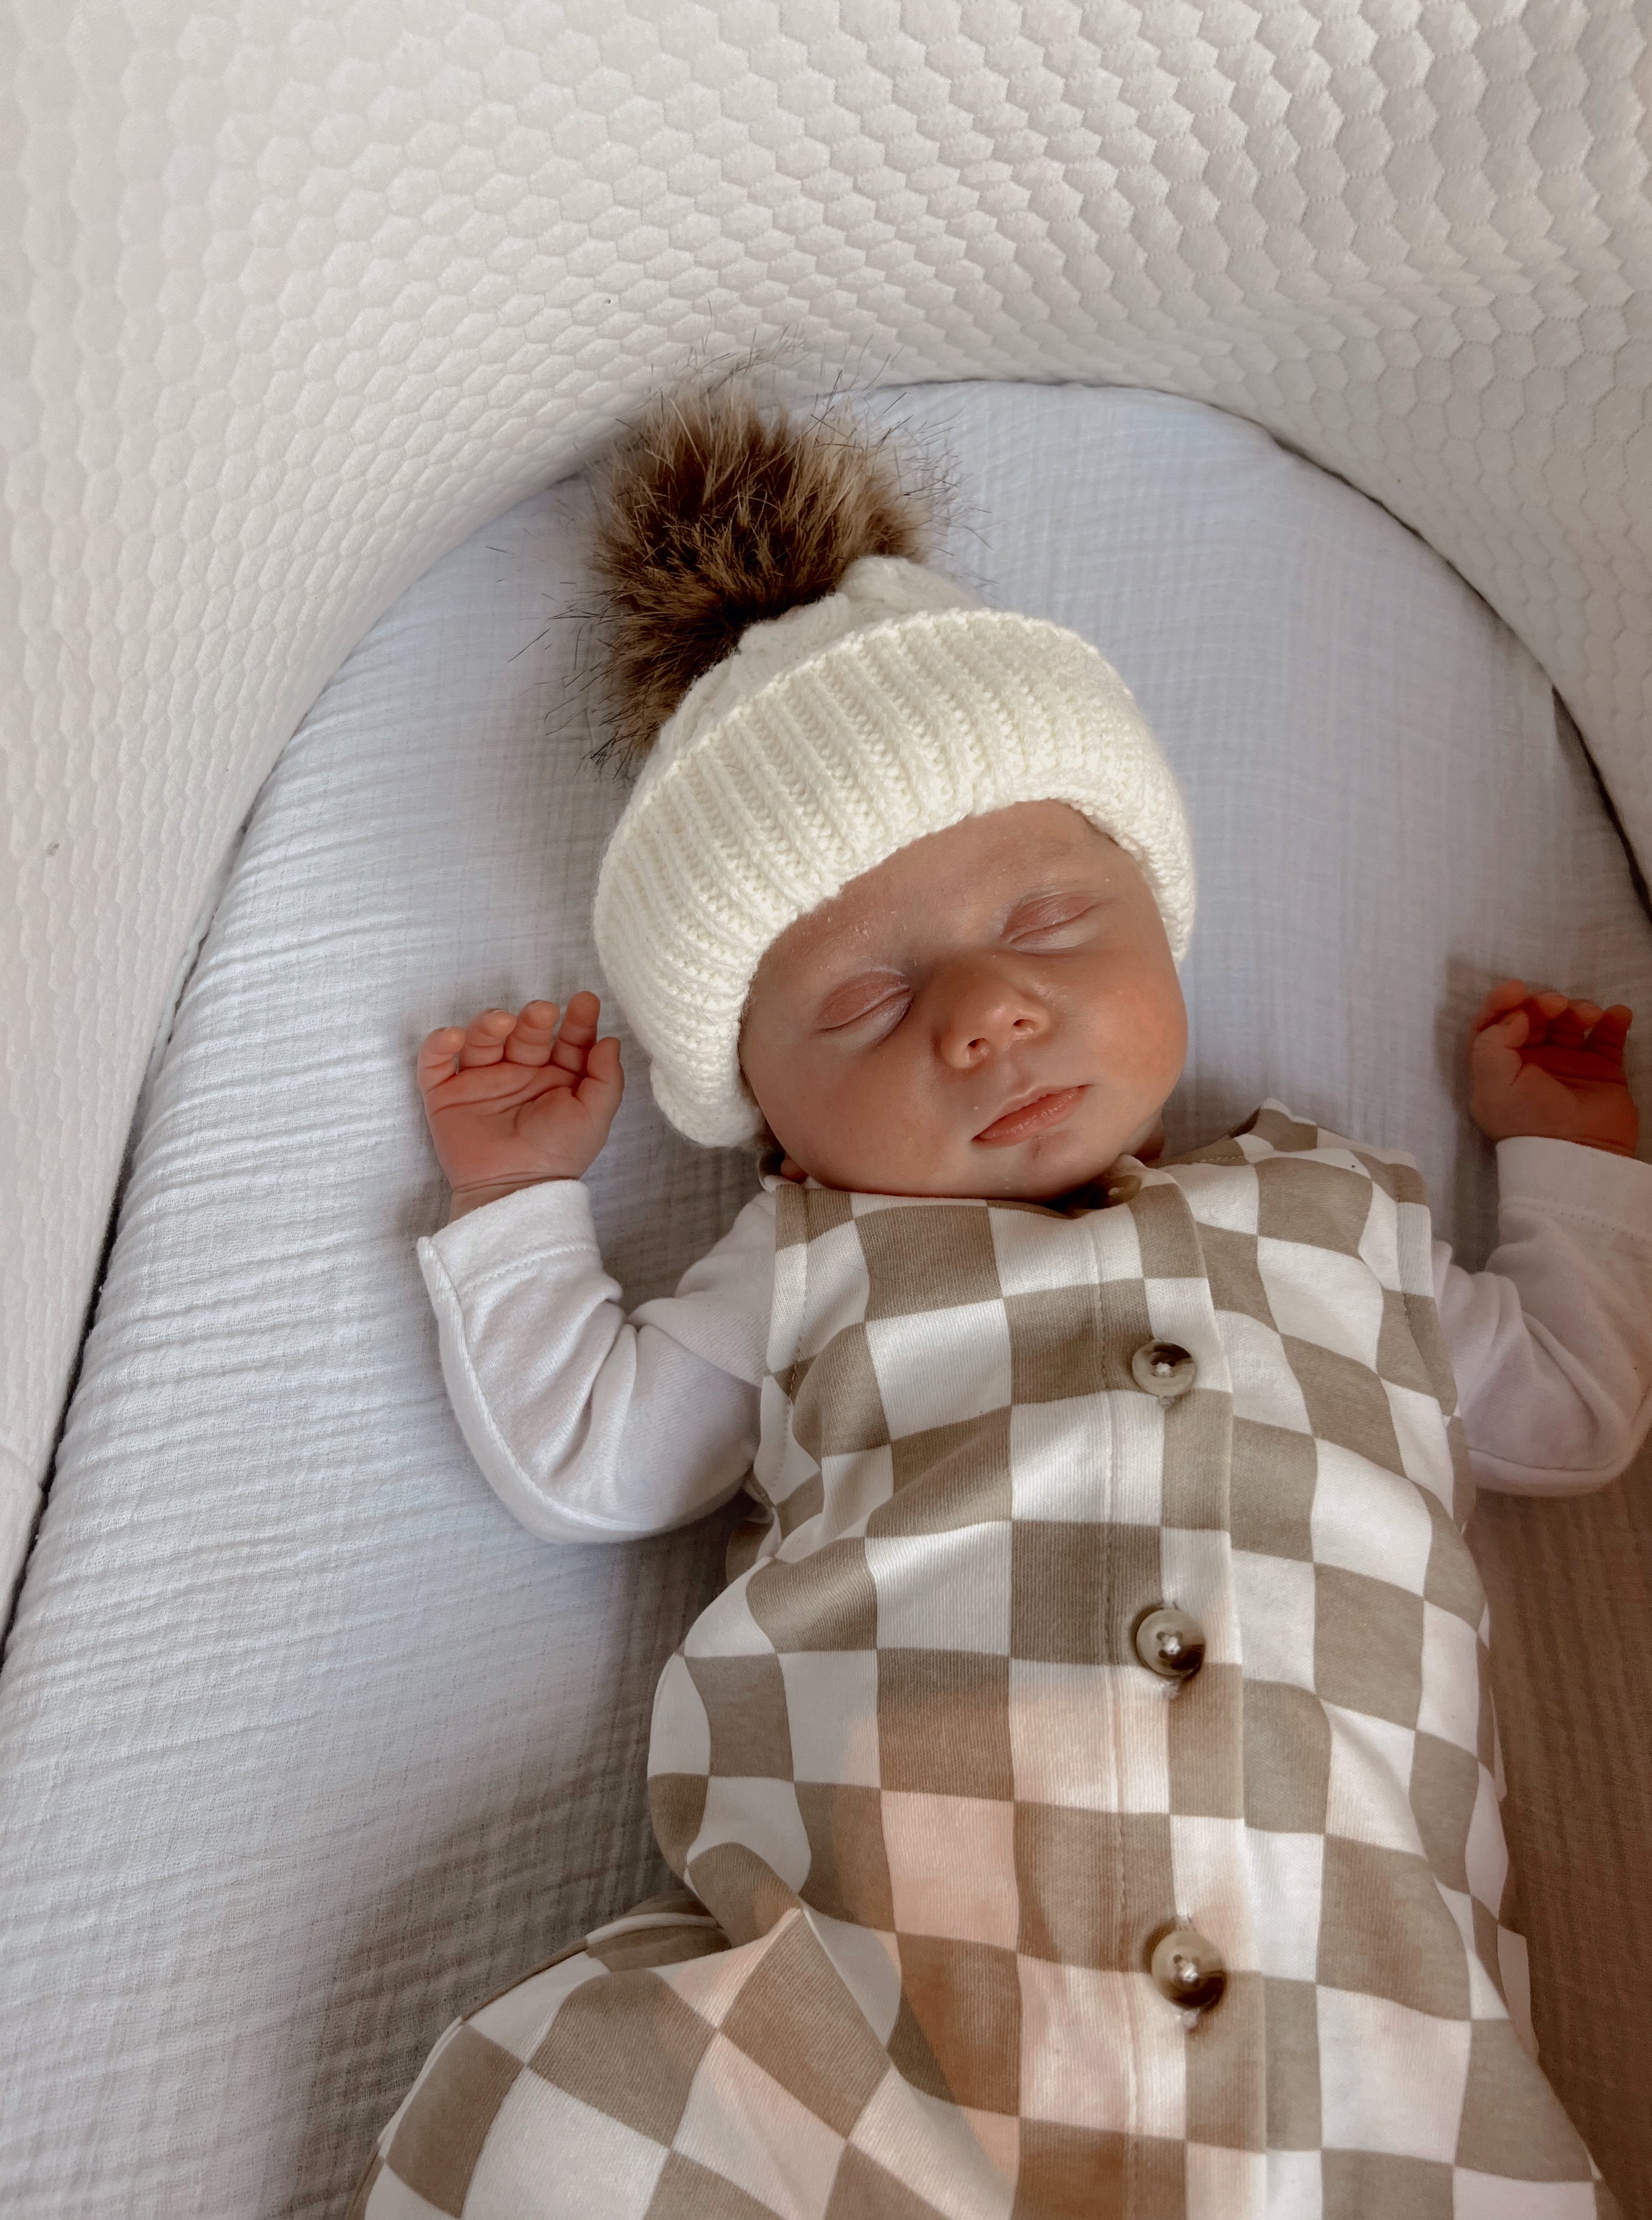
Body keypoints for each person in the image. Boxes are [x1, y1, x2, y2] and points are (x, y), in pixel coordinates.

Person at [362, 389, 1651, 2219]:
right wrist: (514, 1207)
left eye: (1050, 926)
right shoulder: (803, 1262)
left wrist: (1568, 1165)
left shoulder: (1343, 1217)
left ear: (1159, 916)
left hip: (1358, 2053)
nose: (985, 1011)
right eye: (867, 1004)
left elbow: (1572, 1415)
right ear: (761, 1118)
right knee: (572, 2121)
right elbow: (592, 1457)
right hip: (901, 2025)